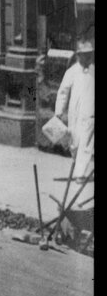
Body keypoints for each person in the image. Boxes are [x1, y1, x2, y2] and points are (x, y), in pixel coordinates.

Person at [55, 35, 95, 207]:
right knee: (75, 143)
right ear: (79, 56)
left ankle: (80, 173)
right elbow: (63, 91)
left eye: (89, 54)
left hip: (90, 114)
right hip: (74, 114)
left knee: (86, 144)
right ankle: (76, 166)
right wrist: (59, 112)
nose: (87, 57)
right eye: (84, 55)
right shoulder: (71, 72)